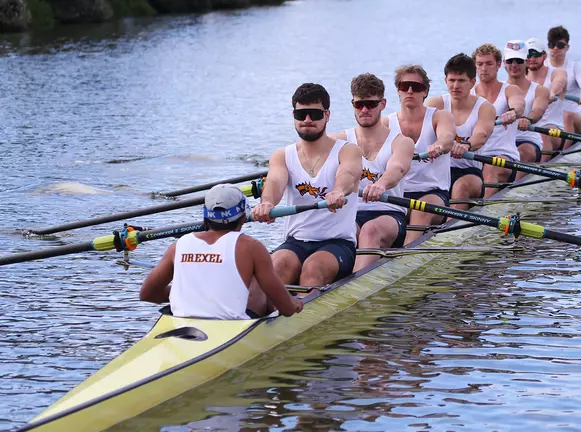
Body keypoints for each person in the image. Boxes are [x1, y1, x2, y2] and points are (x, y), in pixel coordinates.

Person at [253, 83, 362, 286]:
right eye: (301, 114)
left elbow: (348, 174)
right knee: (275, 267)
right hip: (296, 242)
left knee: (313, 268)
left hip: (337, 243)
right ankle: (260, 314)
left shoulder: (348, 151)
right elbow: (275, 181)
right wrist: (267, 203)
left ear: (327, 115)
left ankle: (296, 310)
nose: (307, 120)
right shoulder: (282, 155)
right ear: (293, 115)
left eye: (314, 114)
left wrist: (338, 191)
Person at [139, 184, 303, 319]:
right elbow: (287, 309)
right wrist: (295, 304)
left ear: (206, 217)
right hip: (230, 328)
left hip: (180, 326)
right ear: (243, 218)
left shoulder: (179, 244)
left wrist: (190, 294)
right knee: (256, 281)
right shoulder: (251, 247)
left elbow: (147, 294)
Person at [329, 73, 415, 271]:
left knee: (369, 231)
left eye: (370, 104)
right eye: (359, 105)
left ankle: (354, 288)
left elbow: (397, 168)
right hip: (351, 214)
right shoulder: (338, 141)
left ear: (383, 103)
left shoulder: (402, 142)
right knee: (340, 230)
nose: (364, 110)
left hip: (389, 213)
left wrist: (381, 184)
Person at [383, 65, 456, 245]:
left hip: (433, 193)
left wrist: (438, 145)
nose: (409, 91)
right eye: (404, 86)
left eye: (415, 87)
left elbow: (447, 138)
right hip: (397, 194)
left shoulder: (440, 117)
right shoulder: (385, 123)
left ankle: (404, 258)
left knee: (420, 213)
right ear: (397, 90)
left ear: (425, 91)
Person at [425, 53, 499, 210]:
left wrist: (466, 145)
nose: (455, 86)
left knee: (461, 187)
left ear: (472, 82)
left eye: (461, 81)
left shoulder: (485, 108)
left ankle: (451, 230)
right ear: (445, 81)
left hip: (469, 171)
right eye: (451, 80)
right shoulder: (435, 104)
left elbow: (481, 135)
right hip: (438, 172)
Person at [471, 43, 525, 197]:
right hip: (473, 156)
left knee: (490, 169)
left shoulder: (510, 90)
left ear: (499, 65)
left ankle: (482, 212)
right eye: (479, 64)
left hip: (503, 156)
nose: (484, 68)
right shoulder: (468, 94)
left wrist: (513, 113)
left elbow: (519, 104)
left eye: (489, 64)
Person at [503, 39, 551, 167]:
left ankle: (513, 186)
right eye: (510, 61)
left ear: (527, 62)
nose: (514, 65)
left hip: (527, 140)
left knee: (521, 154)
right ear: (503, 63)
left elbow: (538, 110)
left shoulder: (540, 90)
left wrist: (528, 119)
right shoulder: (496, 89)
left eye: (518, 61)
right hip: (500, 143)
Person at [546, 25, 581, 146]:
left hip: (573, 118)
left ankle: (565, 154)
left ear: (567, 47)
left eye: (560, 45)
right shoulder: (541, 68)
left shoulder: (576, 67)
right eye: (552, 45)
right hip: (549, 120)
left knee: (567, 115)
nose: (555, 48)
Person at [526, 37, 568, 154]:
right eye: (528, 55)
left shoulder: (557, 72)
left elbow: (560, 81)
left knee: (542, 135)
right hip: (526, 128)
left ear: (544, 56)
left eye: (536, 55)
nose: (532, 59)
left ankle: (539, 169)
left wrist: (551, 92)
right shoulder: (520, 80)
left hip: (553, 129)